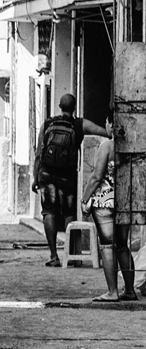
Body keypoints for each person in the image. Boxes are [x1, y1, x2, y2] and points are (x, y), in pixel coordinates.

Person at [34, 93, 109, 268]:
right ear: (74, 107)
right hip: (67, 176)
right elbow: (103, 132)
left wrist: (35, 177)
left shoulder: (47, 124)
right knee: (69, 214)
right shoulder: (79, 124)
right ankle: (71, 256)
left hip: (45, 174)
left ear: (60, 106)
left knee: (48, 213)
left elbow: (38, 153)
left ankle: (53, 255)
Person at [80, 134, 136, 302]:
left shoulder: (107, 146)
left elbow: (97, 177)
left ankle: (112, 291)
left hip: (105, 202)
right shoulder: (134, 145)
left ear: (111, 123)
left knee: (107, 246)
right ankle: (130, 290)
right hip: (125, 201)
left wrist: (85, 199)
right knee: (122, 246)